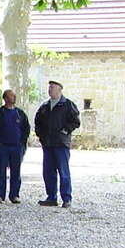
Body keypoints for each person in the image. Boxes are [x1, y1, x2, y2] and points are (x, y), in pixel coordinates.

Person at [34, 80, 80, 208]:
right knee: (48, 172)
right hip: (48, 144)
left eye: (52, 87)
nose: (50, 89)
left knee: (63, 171)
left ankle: (66, 198)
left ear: (60, 89)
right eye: (49, 87)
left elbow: (75, 121)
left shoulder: (67, 104)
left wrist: (65, 131)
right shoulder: (44, 106)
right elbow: (37, 122)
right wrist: (40, 135)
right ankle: (51, 197)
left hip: (61, 144)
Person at [0, 89, 30, 203]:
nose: (14, 97)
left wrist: (22, 142)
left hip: (16, 147)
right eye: (11, 96)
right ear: (5, 98)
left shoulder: (20, 113)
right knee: (0, 171)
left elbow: (26, 128)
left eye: (14, 95)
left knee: (16, 171)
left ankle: (14, 195)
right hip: (2, 147)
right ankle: (0, 194)